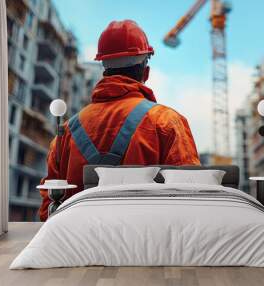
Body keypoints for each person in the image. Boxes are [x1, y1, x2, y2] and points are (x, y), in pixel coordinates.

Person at [39, 20, 200, 221]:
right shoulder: (167, 122)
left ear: (104, 72)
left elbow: (49, 208)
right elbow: (192, 199)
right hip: (147, 246)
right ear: (145, 72)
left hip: (78, 247)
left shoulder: (65, 133)